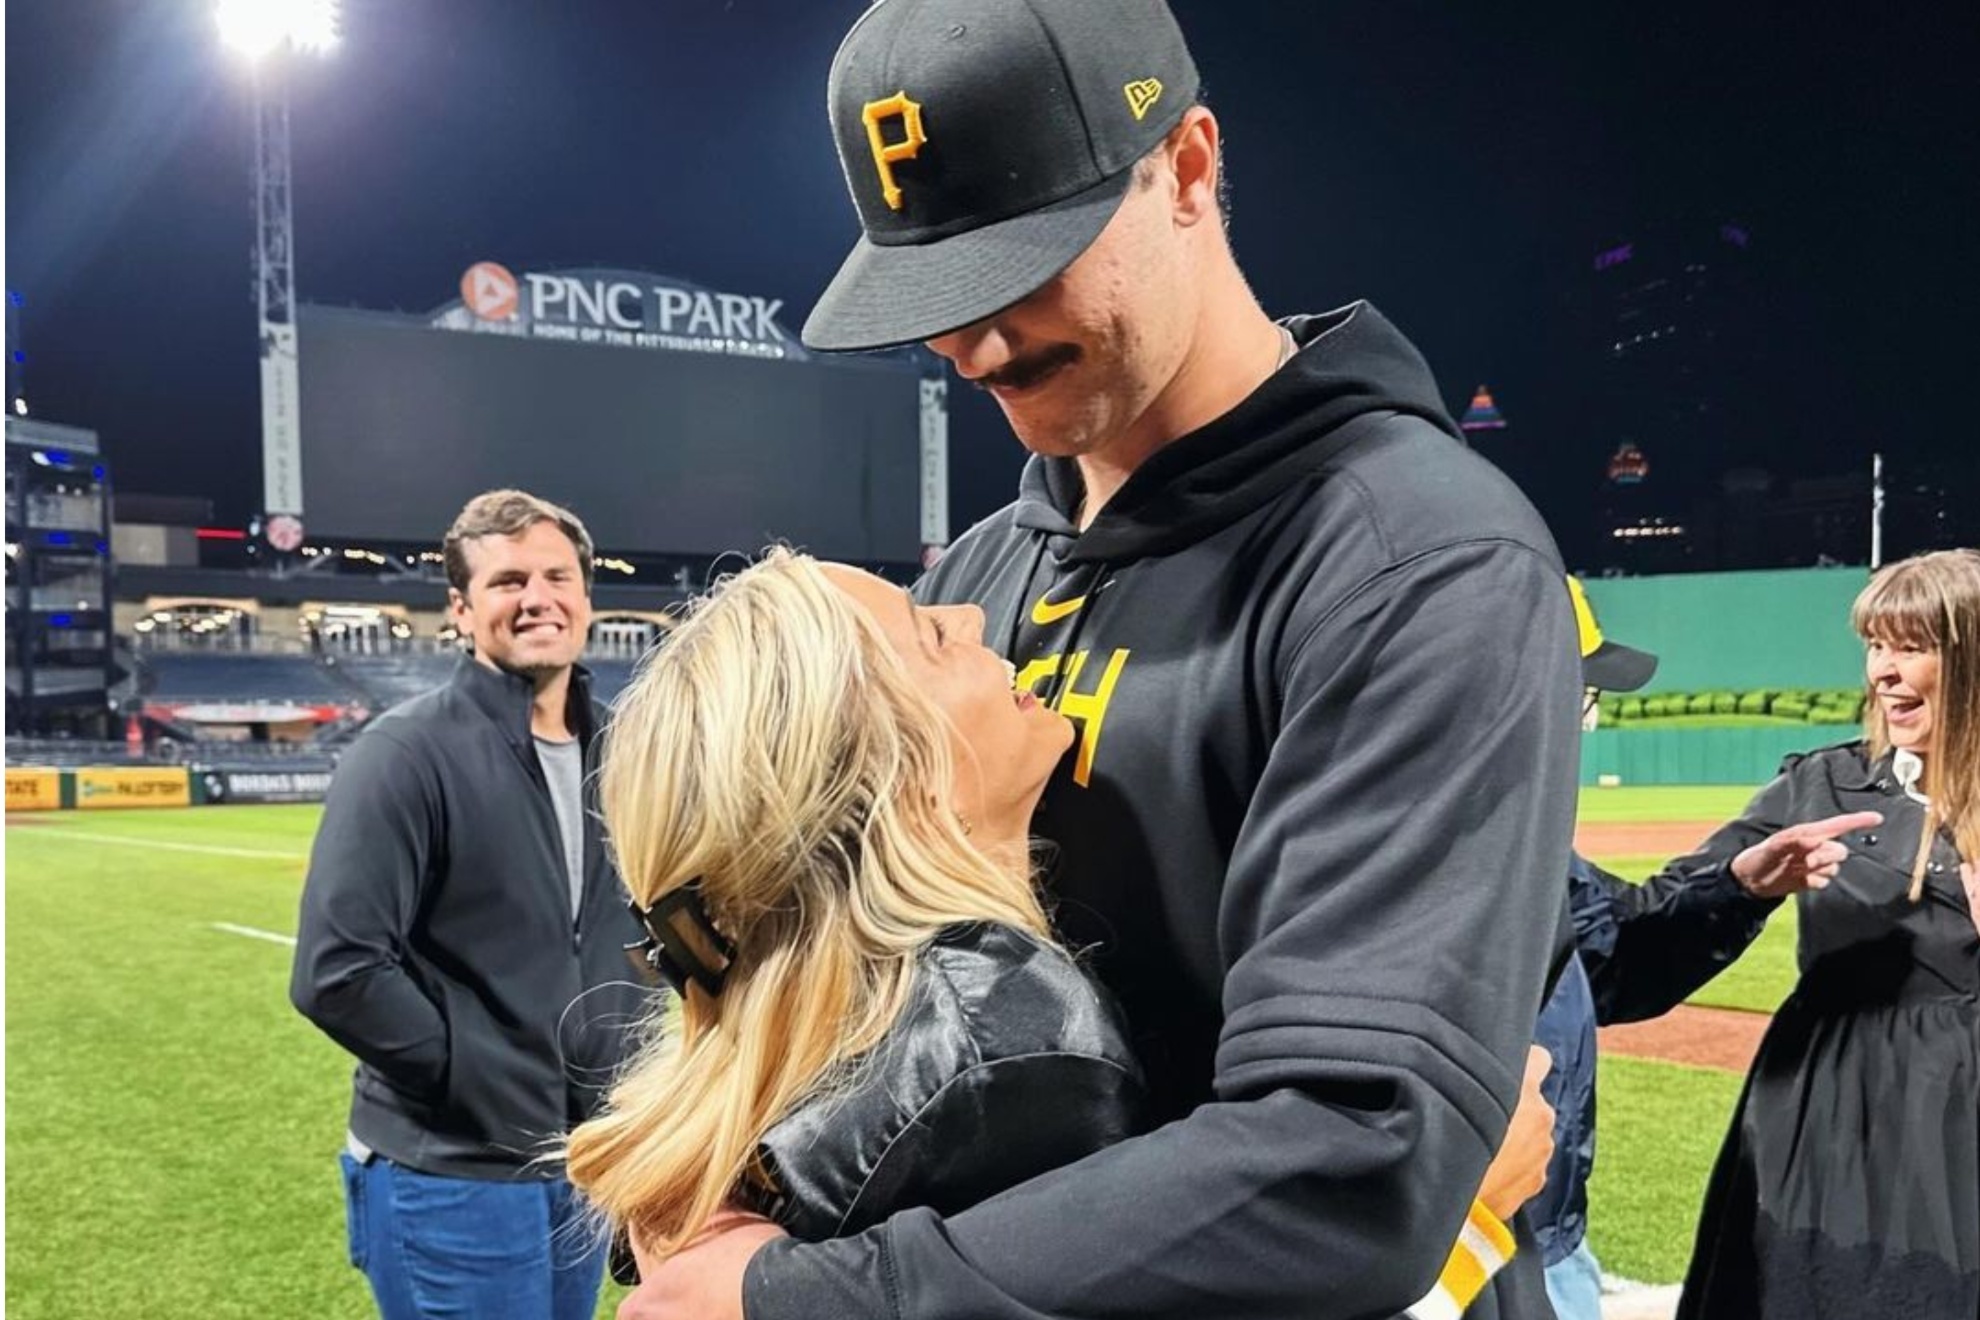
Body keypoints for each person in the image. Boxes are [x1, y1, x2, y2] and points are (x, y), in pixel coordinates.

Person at [622, 1, 1583, 1316]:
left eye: (1022, 266)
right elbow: (797, 980)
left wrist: (798, 1298)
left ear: (1186, 168)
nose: (970, 344)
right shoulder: (972, 580)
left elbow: (1354, 1154)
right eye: (933, 296)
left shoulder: (1413, 559)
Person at [573, 550, 1557, 1314]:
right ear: (890, 771)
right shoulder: (1011, 1045)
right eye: (930, 639)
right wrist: (1460, 1219)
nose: (968, 613)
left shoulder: (815, 1016)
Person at [1565, 549, 1980, 1318]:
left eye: (1913, 647)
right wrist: (1746, 882)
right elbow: (1654, 916)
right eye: (1876, 645)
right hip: (1834, 1107)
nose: (1884, 671)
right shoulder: (1822, 783)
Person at [290, 489, 645, 1320]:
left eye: (558, 576)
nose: (538, 599)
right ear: (460, 608)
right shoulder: (404, 753)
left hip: (583, 1164)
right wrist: (477, 1077)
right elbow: (337, 971)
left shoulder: (626, 750)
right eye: (508, 581)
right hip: (449, 1177)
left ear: (586, 597)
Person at [1529, 578, 1662, 1320]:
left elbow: (1614, 954)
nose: (1589, 719)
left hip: (1548, 1233)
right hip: (1473, 1252)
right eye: (1584, 694)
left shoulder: (1536, 839)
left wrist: (1736, 886)